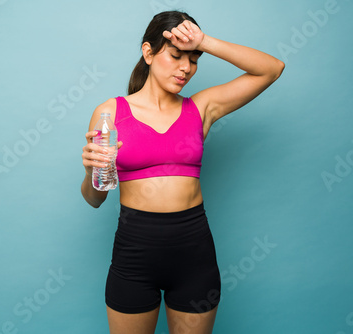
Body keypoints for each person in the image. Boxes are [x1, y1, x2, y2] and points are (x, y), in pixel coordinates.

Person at [81, 10, 284, 334]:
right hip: (133, 257)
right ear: (148, 52)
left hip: (194, 256)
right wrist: (92, 171)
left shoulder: (200, 108)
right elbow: (95, 199)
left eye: (194, 59)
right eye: (176, 56)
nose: (186, 68)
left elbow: (272, 69)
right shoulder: (110, 113)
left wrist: (204, 41)